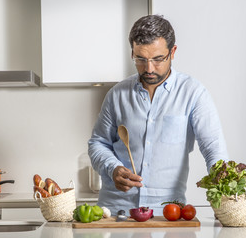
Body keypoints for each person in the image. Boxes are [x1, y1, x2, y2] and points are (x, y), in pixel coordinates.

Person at [88, 15, 228, 216]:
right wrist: (113, 168)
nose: (149, 68)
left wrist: (231, 201)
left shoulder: (193, 93)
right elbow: (98, 143)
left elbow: (214, 150)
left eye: (157, 59)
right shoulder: (117, 95)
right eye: (141, 59)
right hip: (115, 212)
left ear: (173, 52)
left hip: (167, 213)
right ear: (132, 53)